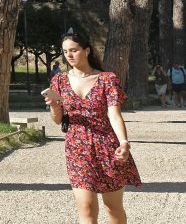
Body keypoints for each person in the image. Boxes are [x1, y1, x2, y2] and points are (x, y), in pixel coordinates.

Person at [43, 29, 141, 224]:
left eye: (74, 50)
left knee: (112, 208)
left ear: (87, 50)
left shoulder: (107, 79)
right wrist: (55, 106)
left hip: (107, 146)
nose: (69, 55)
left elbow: (114, 114)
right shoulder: (59, 81)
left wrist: (124, 142)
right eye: (65, 51)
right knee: (86, 208)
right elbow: (57, 120)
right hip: (77, 149)